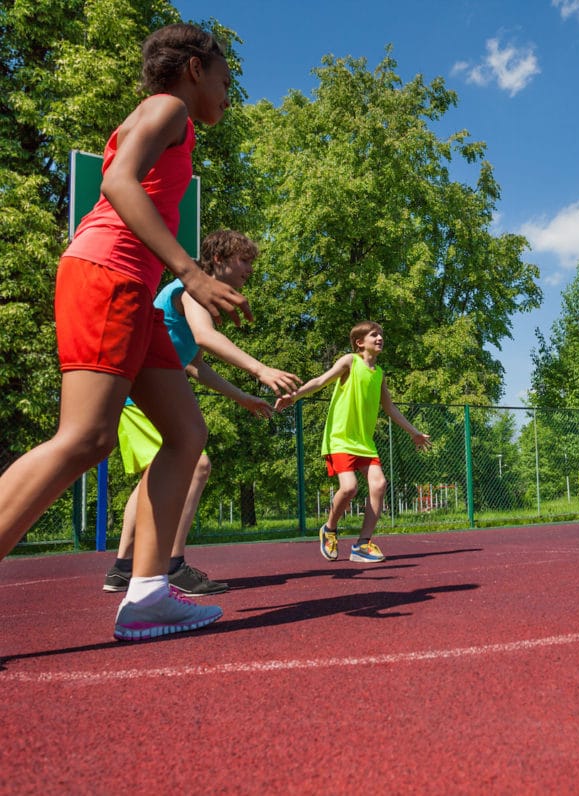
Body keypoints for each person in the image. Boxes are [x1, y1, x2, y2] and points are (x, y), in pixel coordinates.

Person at [0, 24, 255, 641]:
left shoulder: (180, 126)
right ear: (195, 68)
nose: (229, 93)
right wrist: (191, 272)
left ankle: (146, 594)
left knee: (187, 434)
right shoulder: (167, 107)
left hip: (133, 291)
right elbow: (117, 184)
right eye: (225, 79)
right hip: (106, 273)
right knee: (86, 438)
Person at [103, 230, 301, 596]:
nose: (249, 269)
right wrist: (260, 370)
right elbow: (206, 337)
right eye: (245, 261)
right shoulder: (192, 287)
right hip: (142, 395)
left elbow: (194, 365)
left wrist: (242, 397)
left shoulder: (193, 297)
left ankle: (122, 568)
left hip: (141, 393)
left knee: (154, 477)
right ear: (220, 259)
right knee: (197, 464)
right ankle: (173, 564)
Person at [275, 322, 430, 563]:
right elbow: (320, 381)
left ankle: (362, 544)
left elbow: (389, 408)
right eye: (374, 335)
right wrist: (293, 396)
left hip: (364, 442)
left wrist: (414, 432)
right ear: (360, 342)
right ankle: (329, 529)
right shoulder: (350, 361)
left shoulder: (379, 374)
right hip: (340, 437)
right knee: (349, 488)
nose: (379, 338)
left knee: (379, 485)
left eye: (381, 334)